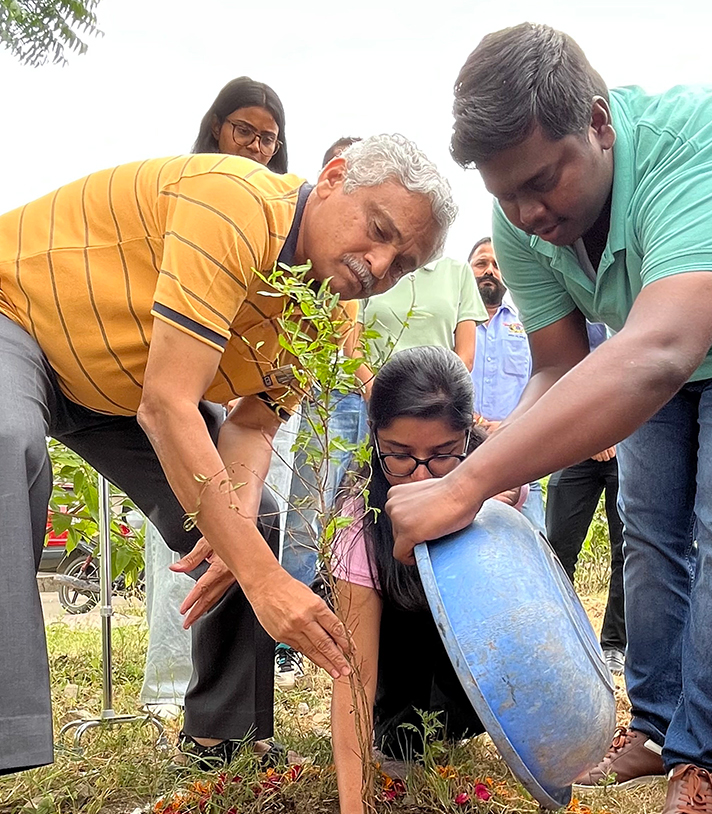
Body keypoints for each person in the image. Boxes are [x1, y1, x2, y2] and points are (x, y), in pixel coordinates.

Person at [386, 23, 712, 814]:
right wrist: (503, 472)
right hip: (648, 354)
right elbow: (559, 368)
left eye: (544, 180)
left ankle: (704, 761)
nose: (532, 213)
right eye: (508, 196)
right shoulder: (524, 229)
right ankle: (653, 726)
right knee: (647, 532)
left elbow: (659, 351)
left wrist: (462, 486)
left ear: (599, 124)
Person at [0, 135, 456, 775]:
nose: (379, 264)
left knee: (254, 524)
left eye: (403, 264)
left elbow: (252, 425)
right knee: (5, 447)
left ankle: (225, 742)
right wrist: (265, 580)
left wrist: (236, 540)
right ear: (331, 179)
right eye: (378, 230)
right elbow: (168, 406)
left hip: (114, 390)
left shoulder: (318, 312)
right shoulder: (235, 205)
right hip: (19, 315)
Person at [296, 346, 528, 814]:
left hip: (478, 679)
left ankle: (465, 722)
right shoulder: (360, 521)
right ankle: (405, 732)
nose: (420, 475)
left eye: (444, 454)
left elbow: (529, 619)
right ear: (374, 441)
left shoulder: (500, 489)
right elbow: (353, 672)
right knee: (404, 743)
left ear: (468, 438)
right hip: (400, 690)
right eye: (398, 455)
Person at [142, 77, 294, 718]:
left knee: (251, 514)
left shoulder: (286, 247)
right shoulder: (194, 199)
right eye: (245, 131)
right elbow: (165, 391)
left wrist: (235, 499)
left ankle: (223, 729)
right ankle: (168, 686)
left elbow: (255, 417)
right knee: (211, 526)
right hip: (141, 383)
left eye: (269, 137)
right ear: (215, 130)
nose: (258, 147)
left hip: (202, 397)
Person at [277, 136, 370, 689]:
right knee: (305, 513)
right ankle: (289, 641)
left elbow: (353, 341)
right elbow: (335, 346)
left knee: (348, 513)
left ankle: (337, 625)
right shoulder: (302, 251)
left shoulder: (365, 273)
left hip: (355, 398)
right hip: (316, 394)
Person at [544, 322, 627, 677]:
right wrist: (592, 433)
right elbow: (561, 375)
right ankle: (558, 636)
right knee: (557, 546)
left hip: (632, 440)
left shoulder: (637, 305)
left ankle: (614, 646)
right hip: (577, 440)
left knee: (627, 549)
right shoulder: (572, 310)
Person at [468, 235, 544, 531]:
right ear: (467, 271)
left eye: (498, 265)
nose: (490, 270)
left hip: (517, 451)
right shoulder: (452, 322)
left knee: (534, 537)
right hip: (462, 451)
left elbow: (541, 382)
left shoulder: (528, 326)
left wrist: (510, 424)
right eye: (481, 263)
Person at [363, 255, 487, 372]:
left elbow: (465, 359)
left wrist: (436, 391)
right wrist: (374, 390)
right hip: (370, 388)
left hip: (435, 387)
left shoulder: (458, 271)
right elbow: (352, 347)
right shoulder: (372, 265)